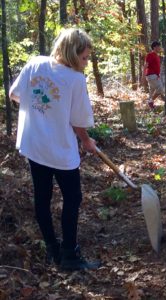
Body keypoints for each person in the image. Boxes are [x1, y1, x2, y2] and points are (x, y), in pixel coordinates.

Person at [9, 28, 100, 271]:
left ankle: (52, 248)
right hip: (60, 150)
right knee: (73, 198)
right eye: (84, 57)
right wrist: (87, 141)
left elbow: (14, 94)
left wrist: (42, 110)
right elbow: (78, 121)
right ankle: (69, 254)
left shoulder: (35, 64)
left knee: (43, 197)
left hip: (34, 145)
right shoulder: (75, 80)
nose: (86, 62)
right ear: (71, 53)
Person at [144, 41, 164, 109]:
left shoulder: (157, 56)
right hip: (151, 75)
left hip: (155, 75)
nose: (160, 48)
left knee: (152, 90)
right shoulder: (150, 55)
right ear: (154, 47)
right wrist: (142, 76)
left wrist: (158, 75)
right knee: (160, 89)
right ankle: (150, 101)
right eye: (158, 46)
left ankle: (150, 106)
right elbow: (146, 65)